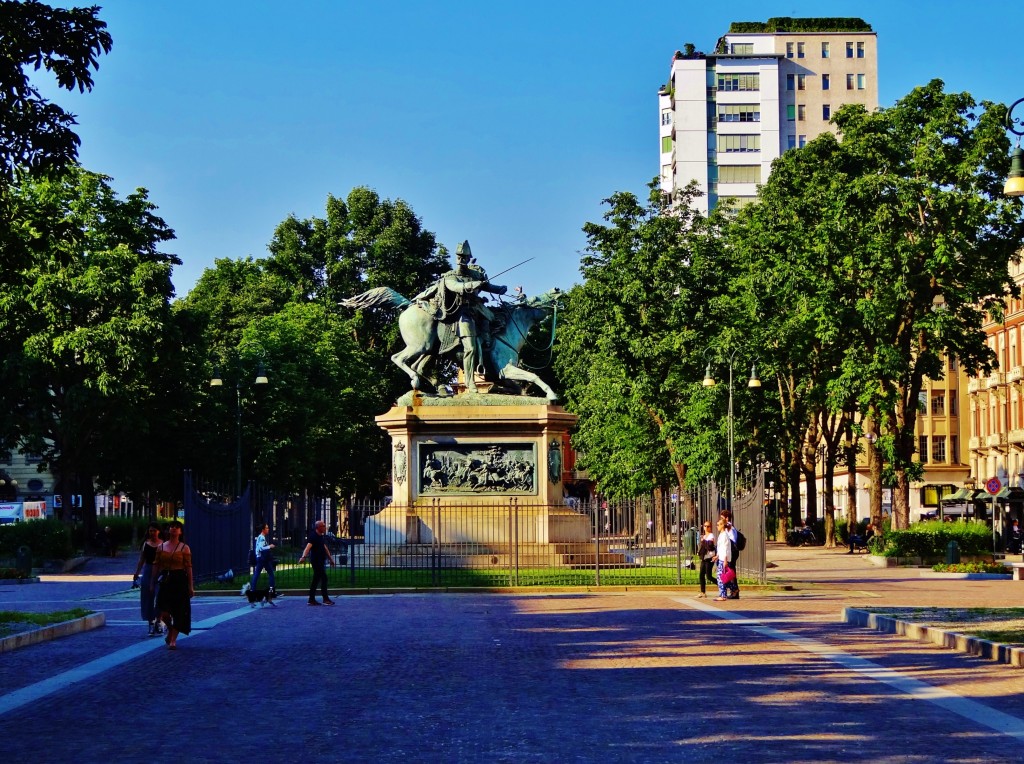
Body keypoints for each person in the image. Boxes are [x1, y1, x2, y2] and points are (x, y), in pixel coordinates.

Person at [414, 240, 507, 393]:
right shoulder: (450, 276)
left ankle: (489, 350)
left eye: (464, 257)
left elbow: (488, 286)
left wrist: (500, 289)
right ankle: (470, 383)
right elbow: (455, 287)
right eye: (459, 257)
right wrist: (471, 285)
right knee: (470, 348)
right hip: (462, 314)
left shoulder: (475, 274)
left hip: (479, 310)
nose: (461, 260)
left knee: (497, 322)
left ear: (469, 259)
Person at [153, 521, 193, 650]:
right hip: (166, 580)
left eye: (177, 527)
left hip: (179, 580)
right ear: (168, 530)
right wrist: (152, 582)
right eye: (172, 527)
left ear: (180, 532)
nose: (174, 529)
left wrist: (191, 586)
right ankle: (170, 630)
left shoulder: (184, 548)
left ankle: (173, 640)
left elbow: (188, 568)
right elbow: (156, 565)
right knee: (163, 611)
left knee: (179, 611)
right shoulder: (161, 547)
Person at [132, 523, 163, 636]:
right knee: (148, 597)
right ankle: (151, 622)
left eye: (154, 530)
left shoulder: (163, 544)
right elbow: (142, 560)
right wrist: (137, 573)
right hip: (148, 571)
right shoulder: (146, 544)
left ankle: (159, 621)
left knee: (160, 597)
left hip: (160, 571)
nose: (152, 533)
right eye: (150, 531)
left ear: (158, 531)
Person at [298, 520, 336, 606]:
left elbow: (324, 547)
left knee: (316, 580)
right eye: (323, 526)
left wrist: (331, 559)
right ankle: (325, 599)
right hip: (316, 561)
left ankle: (311, 599)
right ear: (318, 527)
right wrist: (303, 557)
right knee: (324, 578)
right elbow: (307, 548)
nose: (325, 527)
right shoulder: (313, 536)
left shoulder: (320, 536)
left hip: (321, 561)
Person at [712, 515, 738, 601]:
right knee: (723, 577)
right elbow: (720, 548)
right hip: (721, 558)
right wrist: (717, 556)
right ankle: (733, 589)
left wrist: (725, 560)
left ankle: (723, 595)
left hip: (724, 559)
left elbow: (726, 548)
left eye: (719, 525)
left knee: (721, 577)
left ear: (723, 525)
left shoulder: (724, 535)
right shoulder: (721, 535)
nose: (717, 526)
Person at [250, 523, 277, 595]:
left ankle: (252, 590)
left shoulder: (260, 537)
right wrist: (270, 546)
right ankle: (272, 590)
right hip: (263, 558)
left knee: (257, 574)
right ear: (263, 530)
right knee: (271, 573)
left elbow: (259, 548)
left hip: (260, 558)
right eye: (267, 528)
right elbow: (261, 548)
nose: (268, 529)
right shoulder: (262, 537)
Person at [720, 508, 740, 599]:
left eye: (722, 518)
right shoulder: (729, 527)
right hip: (732, 551)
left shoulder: (729, 528)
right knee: (731, 571)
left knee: (730, 571)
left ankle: (734, 590)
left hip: (732, 551)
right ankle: (734, 590)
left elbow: (730, 541)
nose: (721, 520)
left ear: (727, 518)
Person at [696, 521, 717, 598]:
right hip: (704, 558)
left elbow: (710, 546)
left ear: (710, 527)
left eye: (708, 526)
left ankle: (722, 585)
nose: (706, 528)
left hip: (709, 558)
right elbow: (704, 547)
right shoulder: (704, 536)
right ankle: (702, 592)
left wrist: (703, 541)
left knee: (709, 576)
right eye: (705, 526)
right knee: (701, 575)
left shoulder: (711, 535)